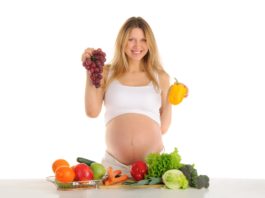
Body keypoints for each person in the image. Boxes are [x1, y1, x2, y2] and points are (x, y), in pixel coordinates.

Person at [81, 16, 172, 176]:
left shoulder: (161, 77)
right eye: (131, 39)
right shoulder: (107, 73)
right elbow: (92, 112)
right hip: (114, 168)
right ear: (122, 41)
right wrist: (91, 71)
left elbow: (162, 128)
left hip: (152, 169)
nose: (138, 46)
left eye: (143, 40)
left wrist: (172, 97)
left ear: (150, 43)